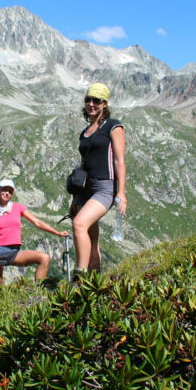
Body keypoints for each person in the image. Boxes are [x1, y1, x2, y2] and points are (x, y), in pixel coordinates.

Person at [70, 83, 127, 280]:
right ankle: (95, 282)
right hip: (85, 189)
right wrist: (74, 199)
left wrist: (121, 192)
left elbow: (119, 160)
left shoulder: (114, 126)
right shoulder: (85, 132)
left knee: (79, 224)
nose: (91, 104)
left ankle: (79, 278)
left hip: (104, 187)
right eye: (88, 99)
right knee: (91, 239)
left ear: (105, 103)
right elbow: (84, 164)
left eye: (96, 100)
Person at [0, 178, 69, 284]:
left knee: (44, 258)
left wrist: (57, 232)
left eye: (10, 191)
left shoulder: (18, 207)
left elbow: (37, 222)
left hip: (14, 253)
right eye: (4, 189)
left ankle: (39, 293)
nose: (7, 193)